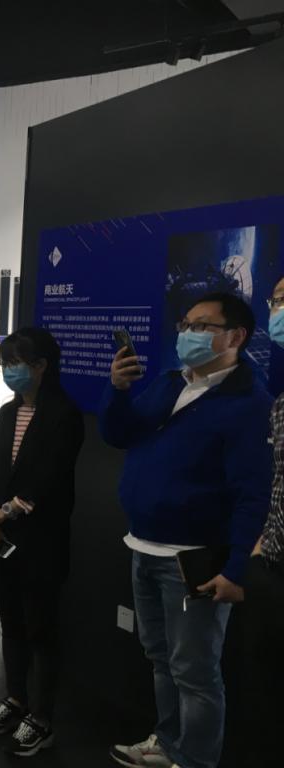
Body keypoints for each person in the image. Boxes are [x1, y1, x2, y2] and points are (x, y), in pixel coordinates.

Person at [98, 292, 271, 768]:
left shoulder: (248, 403)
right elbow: (119, 433)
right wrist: (118, 390)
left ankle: (193, 759)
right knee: (160, 657)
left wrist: (235, 569)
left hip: (194, 558)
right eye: (186, 324)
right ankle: (168, 742)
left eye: (201, 326)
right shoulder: (170, 383)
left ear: (235, 336)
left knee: (195, 671)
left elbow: (253, 495)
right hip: (144, 545)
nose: (188, 333)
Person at [0, 328, 83, 757]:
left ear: (41, 366)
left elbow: (49, 480)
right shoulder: (8, 412)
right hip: (1, 537)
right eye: (4, 364)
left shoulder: (63, 415)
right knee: (11, 624)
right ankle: (15, 698)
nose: (9, 372)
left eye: (15, 363)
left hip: (42, 540)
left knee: (41, 629)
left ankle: (42, 717)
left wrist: (5, 513)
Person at [243, 277, 284, 768]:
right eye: (276, 301)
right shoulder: (280, 405)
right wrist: (261, 547)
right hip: (272, 573)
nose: (277, 310)